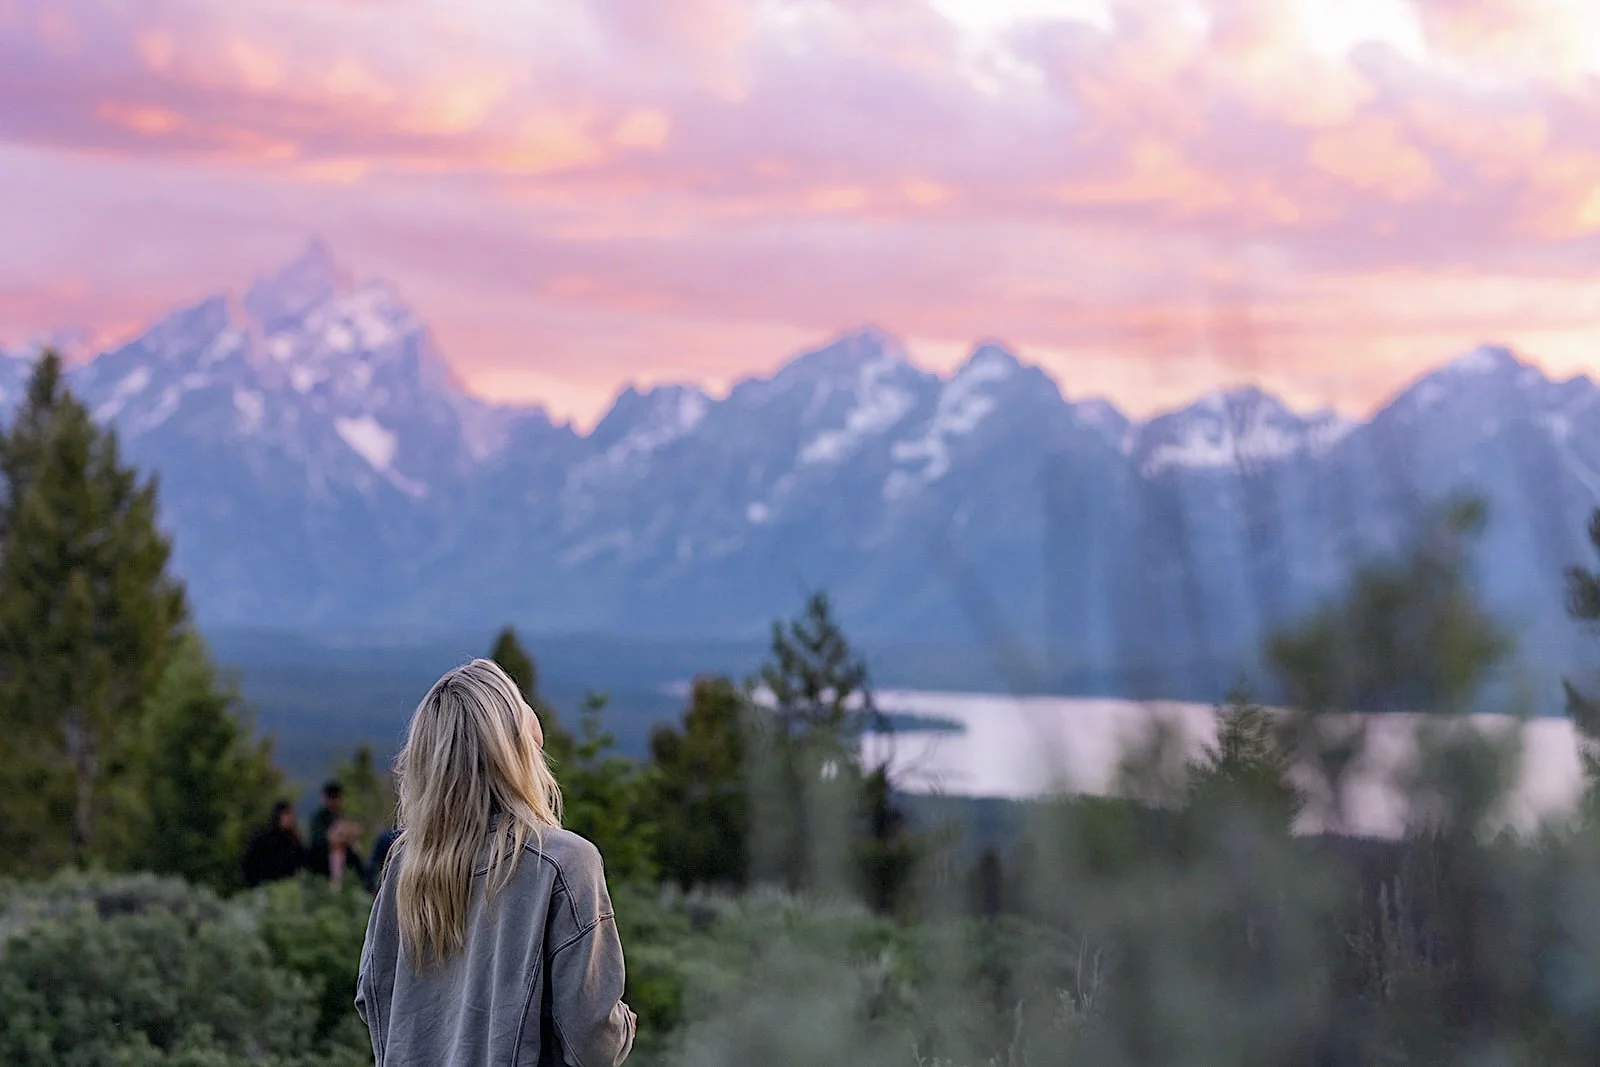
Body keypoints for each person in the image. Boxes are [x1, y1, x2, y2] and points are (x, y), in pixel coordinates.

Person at [357, 658, 636, 1066]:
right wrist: (624, 1025)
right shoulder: (563, 863)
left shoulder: (407, 860)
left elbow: (372, 995)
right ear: (515, 754)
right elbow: (593, 1040)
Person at [242, 801, 306, 888]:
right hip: (264, 886)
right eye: (286, 814)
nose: (290, 818)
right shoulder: (262, 839)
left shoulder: (293, 841)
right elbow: (249, 864)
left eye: (291, 815)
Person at [309, 816, 368, 891]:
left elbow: (361, 874)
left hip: (345, 890)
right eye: (338, 834)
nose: (339, 839)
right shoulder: (319, 851)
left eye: (343, 835)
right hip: (322, 889)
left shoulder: (351, 855)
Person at [309, 780, 344, 857]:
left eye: (337, 798)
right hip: (321, 856)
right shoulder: (319, 818)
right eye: (332, 799)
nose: (335, 802)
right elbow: (318, 839)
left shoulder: (340, 817)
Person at [366, 824, 398, 894]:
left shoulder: (385, 836)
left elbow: (372, 863)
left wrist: (370, 886)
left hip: (387, 880)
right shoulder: (387, 837)